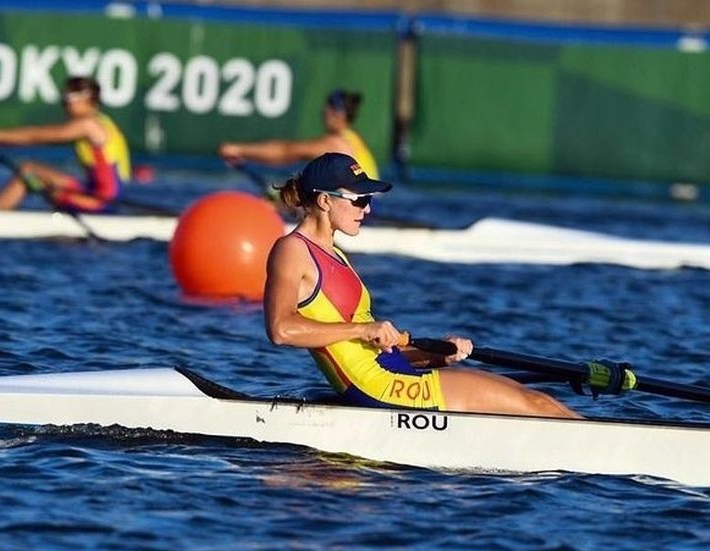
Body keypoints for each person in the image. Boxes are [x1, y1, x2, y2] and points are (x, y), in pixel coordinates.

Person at [263, 152, 578, 418]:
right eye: (360, 199)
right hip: (380, 389)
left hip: (394, 374)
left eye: (368, 199)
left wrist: (437, 355)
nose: (368, 209)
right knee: (535, 405)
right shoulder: (292, 250)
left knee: (538, 401)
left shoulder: (337, 255)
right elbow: (281, 329)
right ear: (324, 201)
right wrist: (362, 330)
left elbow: (372, 347)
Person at [0, 76, 131, 212]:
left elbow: (34, 137)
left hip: (101, 202)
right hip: (93, 192)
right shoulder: (102, 121)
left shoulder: (89, 125)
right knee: (31, 170)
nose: (64, 103)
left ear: (87, 98)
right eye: (63, 97)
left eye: (69, 97)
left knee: (30, 173)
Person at [218, 89, 381, 179]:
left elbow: (287, 151)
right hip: (370, 204)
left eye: (328, 108)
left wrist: (238, 150)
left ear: (338, 114)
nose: (323, 112)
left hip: (365, 210)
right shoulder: (353, 138)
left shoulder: (335, 144)